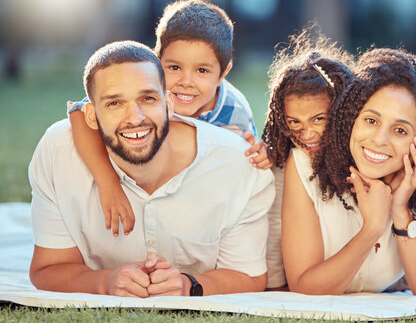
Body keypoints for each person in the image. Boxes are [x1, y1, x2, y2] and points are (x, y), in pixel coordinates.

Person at [29, 41, 275, 297]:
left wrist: (187, 285)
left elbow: (248, 276)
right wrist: (105, 282)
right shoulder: (58, 153)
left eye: (147, 98)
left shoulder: (240, 164)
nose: (135, 117)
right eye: (114, 103)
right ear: (91, 115)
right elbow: (48, 269)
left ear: (168, 103)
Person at [282, 48, 416, 300]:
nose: (379, 140)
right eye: (371, 121)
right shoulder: (306, 166)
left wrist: (400, 212)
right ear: (352, 117)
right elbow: (305, 288)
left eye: (400, 130)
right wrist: (372, 228)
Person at [67, 0, 270, 238]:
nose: (186, 82)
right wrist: (108, 183)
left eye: (202, 70)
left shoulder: (233, 111)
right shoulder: (143, 86)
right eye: (173, 67)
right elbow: (79, 115)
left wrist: (260, 152)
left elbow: (244, 162)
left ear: (223, 73)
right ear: (156, 60)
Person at [261, 29, 354, 289]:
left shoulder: (367, 152)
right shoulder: (291, 161)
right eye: (294, 122)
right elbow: (276, 234)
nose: (307, 133)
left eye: (319, 119)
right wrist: (277, 286)